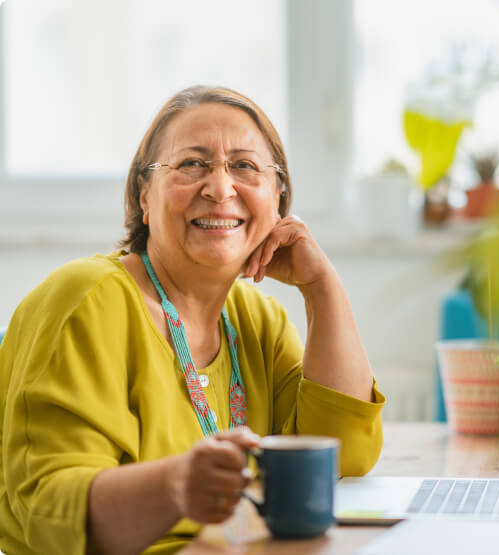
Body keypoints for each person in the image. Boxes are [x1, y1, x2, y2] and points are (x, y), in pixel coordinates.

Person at [0, 86, 385, 555]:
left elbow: (342, 453)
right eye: (191, 165)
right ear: (145, 194)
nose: (221, 189)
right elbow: (48, 514)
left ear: (278, 198)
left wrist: (321, 286)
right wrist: (175, 486)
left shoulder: (256, 318)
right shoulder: (86, 299)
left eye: (244, 166)